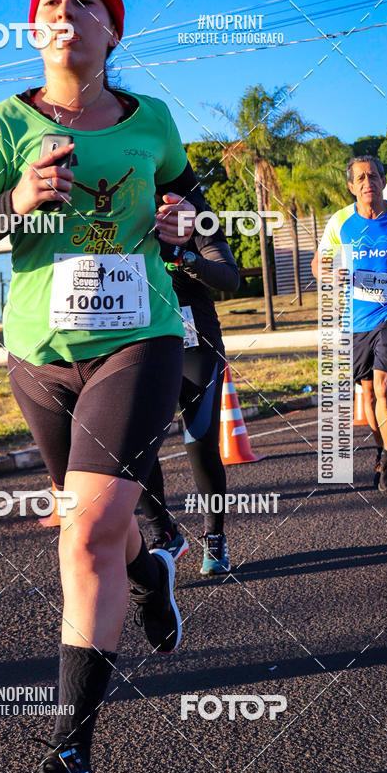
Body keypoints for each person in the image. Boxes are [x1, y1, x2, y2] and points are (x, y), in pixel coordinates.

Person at [0, 0, 207, 773]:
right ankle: (154, 570)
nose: (63, 9)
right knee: (100, 529)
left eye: (84, 0)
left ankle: (69, 766)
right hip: (39, 356)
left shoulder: (152, 119)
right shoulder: (1, 125)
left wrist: (186, 222)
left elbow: (196, 218)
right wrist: (11, 200)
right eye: (49, 0)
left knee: (81, 536)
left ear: (111, 30)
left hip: (140, 340)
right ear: (34, 28)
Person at [311, 155, 387, 492]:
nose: (367, 183)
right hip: (356, 318)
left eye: (373, 176)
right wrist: (330, 273)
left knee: (384, 386)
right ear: (351, 186)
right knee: (368, 396)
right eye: (360, 178)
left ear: (383, 181)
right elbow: (319, 264)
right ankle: (381, 449)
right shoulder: (340, 221)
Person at [138, 229, 240, 574]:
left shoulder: (192, 217)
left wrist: (185, 255)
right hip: (141, 350)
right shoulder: (117, 216)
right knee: (133, 447)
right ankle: (162, 532)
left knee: (201, 444)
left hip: (196, 348)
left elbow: (230, 278)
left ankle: (214, 536)